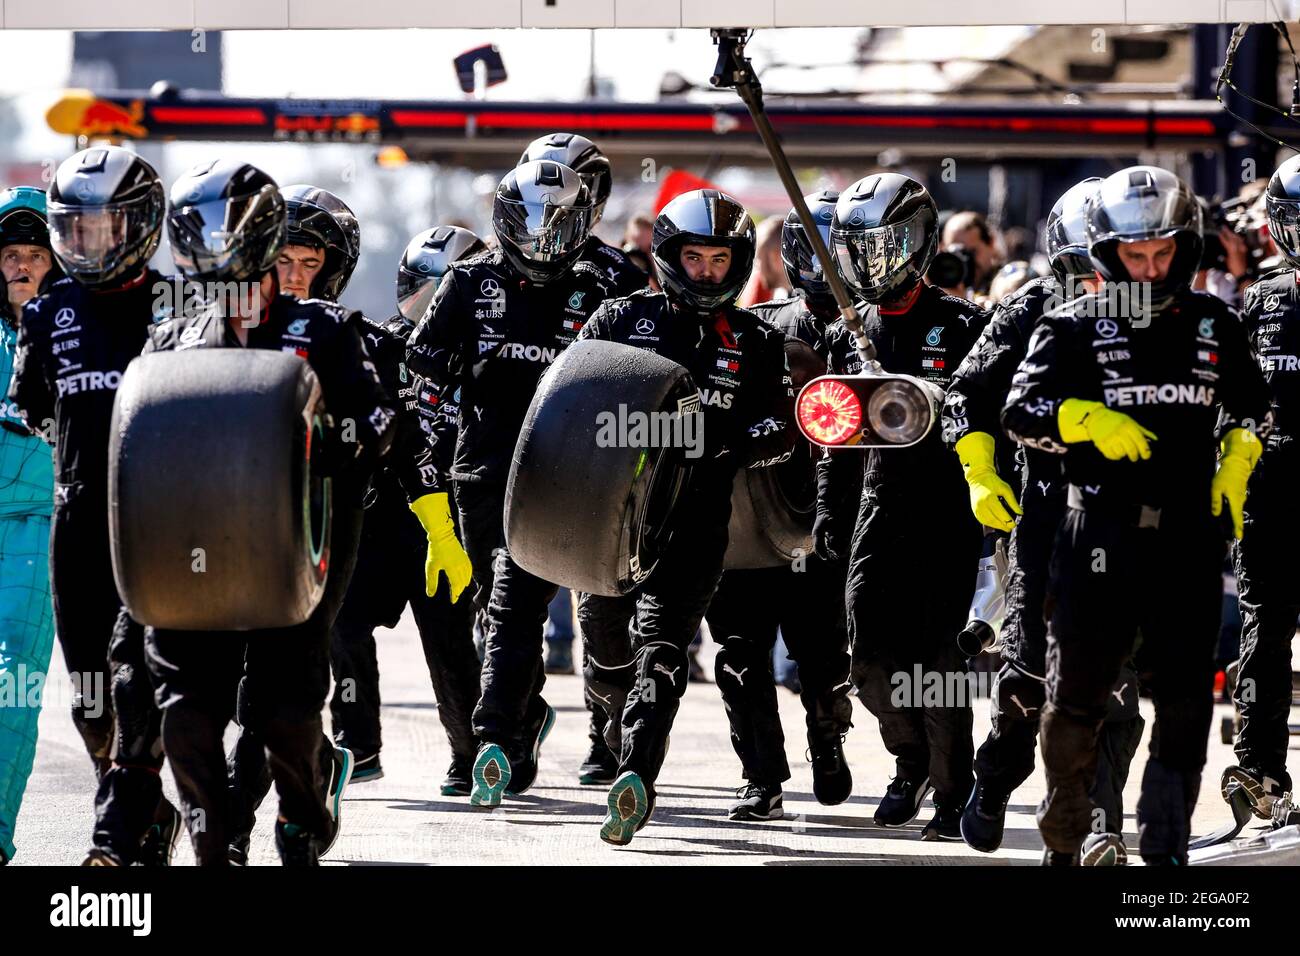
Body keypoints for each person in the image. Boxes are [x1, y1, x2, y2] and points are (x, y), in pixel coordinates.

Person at [1002, 165, 1272, 865]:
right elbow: (1017, 412)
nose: (1150, 269)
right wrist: (1080, 418)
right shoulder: (1069, 325)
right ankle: (1064, 839)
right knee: (1076, 703)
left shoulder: (1216, 322)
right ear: (1106, 253)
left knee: (1184, 708)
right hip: (1098, 533)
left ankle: (1165, 850)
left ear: (1185, 248)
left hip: (1188, 535)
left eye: (1162, 253)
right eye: (1134, 255)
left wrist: (1239, 456)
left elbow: (1252, 405)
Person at [143, 160, 397, 865]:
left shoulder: (325, 328)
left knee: (283, 716)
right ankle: (215, 841)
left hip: (302, 552)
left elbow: (380, 422)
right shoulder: (174, 339)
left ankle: (308, 810)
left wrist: (332, 438)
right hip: (198, 553)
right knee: (189, 717)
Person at [574, 188, 796, 845]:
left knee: (664, 649)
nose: (705, 270)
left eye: (718, 258)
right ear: (670, 256)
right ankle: (608, 738)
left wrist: (729, 440)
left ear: (738, 263)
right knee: (607, 644)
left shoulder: (756, 339)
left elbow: (781, 425)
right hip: (608, 518)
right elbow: (567, 400)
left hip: (699, 521)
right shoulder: (616, 318)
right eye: (693, 256)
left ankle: (637, 775)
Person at [943, 178, 1144, 864]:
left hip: (1130, 528)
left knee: (1114, 688)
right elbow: (966, 393)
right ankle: (995, 778)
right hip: (1044, 523)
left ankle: (1097, 825)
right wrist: (979, 468)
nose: (1098, 283)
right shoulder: (1028, 310)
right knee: (1029, 678)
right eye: (1084, 268)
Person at [406, 160, 617, 809]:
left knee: (514, 602)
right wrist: (429, 478)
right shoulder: (468, 283)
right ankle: (522, 726)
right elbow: (421, 377)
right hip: (484, 470)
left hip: (571, 473)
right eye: (531, 223)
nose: (543, 241)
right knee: (491, 609)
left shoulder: (611, 282)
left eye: (560, 226)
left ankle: (491, 735)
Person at [8, 147, 181, 866]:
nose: (87, 245)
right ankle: (147, 813)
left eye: (102, 229)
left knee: (136, 679)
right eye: (73, 230)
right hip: (76, 520)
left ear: (137, 226)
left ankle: (112, 834)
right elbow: (32, 408)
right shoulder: (49, 314)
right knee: (89, 699)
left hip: (161, 525)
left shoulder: (182, 304)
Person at [816, 173, 987, 841]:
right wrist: (829, 522)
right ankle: (908, 760)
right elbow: (834, 440)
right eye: (860, 249)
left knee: (939, 666)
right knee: (871, 660)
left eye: (886, 246)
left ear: (918, 243)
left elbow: (988, 421)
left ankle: (952, 791)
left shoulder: (967, 325)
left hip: (948, 513)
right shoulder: (846, 333)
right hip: (878, 510)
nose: (874, 263)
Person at [226, 184, 367, 862]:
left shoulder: (346, 339)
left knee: (285, 688)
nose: (292, 276)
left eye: (308, 264)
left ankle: (272, 821)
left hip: (319, 532)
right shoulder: (218, 325)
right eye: (281, 259)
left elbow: (387, 432)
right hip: (228, 527)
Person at [704, 190, 853, 820]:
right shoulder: (759, 328)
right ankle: (761, 776)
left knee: (822, 657)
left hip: (821, 524)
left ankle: (827, 734)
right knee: (740, 653)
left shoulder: (866, 329)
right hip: (745, 521)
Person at [329, 224, 486, 795]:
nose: (428, 302)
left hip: (453, 519)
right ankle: (357, 745)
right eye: (419, 285)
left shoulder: (485, 364)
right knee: (343, 625)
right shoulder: (377, 344)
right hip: (380, 514)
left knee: (447, 640)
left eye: (442, 288)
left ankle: (475, 750)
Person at [1222, 153, 1300, 817]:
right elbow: (1230, 397)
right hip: (1270, 492)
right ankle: (1260, 770)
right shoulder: (1261, 301)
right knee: (1264, 631)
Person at [0, 187, 60, 865]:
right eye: (10, 255)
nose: (20, 267)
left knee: (11, 687)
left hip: (43, 529)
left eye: (35, 256)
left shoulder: (79, 332)